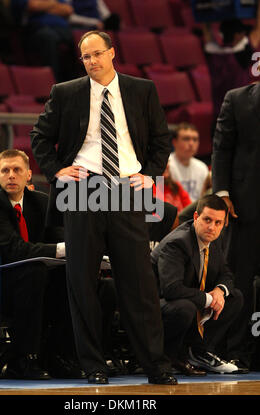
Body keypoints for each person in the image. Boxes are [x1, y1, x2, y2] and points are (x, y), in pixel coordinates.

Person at [30, 30, 177, 385]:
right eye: (85, 57)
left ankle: (155, 366)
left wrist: (151, 175)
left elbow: (161, 140)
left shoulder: (143, 89)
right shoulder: (65, 92)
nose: (92, 61)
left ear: (112, 53)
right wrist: (56, 171)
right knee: (82, 282)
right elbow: (40, 137)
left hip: (130, 188)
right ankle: (93, 365)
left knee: (139, 284)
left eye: (97, 54)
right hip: (82, 188)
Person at [0, 149, 78, 380]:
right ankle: (21, 359)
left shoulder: (40, 201)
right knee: (34, 272)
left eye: (17, 170)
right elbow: (15, 250)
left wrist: (75, 249)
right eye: (5, 170)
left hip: (33, 277)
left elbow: (61, 236)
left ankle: (58, 356)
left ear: (28, 175)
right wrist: (61, 249)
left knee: (70, 275)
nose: (11, 175)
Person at [151, 194, 246, 374]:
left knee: (234, 297)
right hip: (157, 305)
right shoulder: (177, 243)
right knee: (184, 307)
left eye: (218, 223)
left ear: (224, 223)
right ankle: (169, 356)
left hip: (186, 299)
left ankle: (199, 352)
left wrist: (219, 291)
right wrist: (210, 299)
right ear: (196, 217)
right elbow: (170, 289)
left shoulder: (213, 239)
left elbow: (226, 274)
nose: (212, 227)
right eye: (207, 220)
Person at [212, 81, 260, 369]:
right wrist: (222, 194)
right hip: (244, 207)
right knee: (240, 282)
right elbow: (221, 148)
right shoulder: (236, 98)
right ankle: (235, 351)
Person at [202, 0, 260, 124]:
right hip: (240, 117)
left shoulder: (213, 55)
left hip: (219, 117)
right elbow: (258, 30)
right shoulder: (242, 55)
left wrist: (205, 6)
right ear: (238, 35)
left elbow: (206, 30)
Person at [10, 0, 79, 82]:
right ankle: (53, 83)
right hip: (36, 28)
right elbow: (33, 6)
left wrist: (43, 6)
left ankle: (76, 83)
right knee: (49, 37)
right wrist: (53, 4)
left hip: (62, 28)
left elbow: (68, 10)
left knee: (78, 39)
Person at [168, 123, 209, 202]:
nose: (191, 144)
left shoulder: (202, 167)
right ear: (174, 142)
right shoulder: (166, 165)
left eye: (195, 139)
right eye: (186, 139)